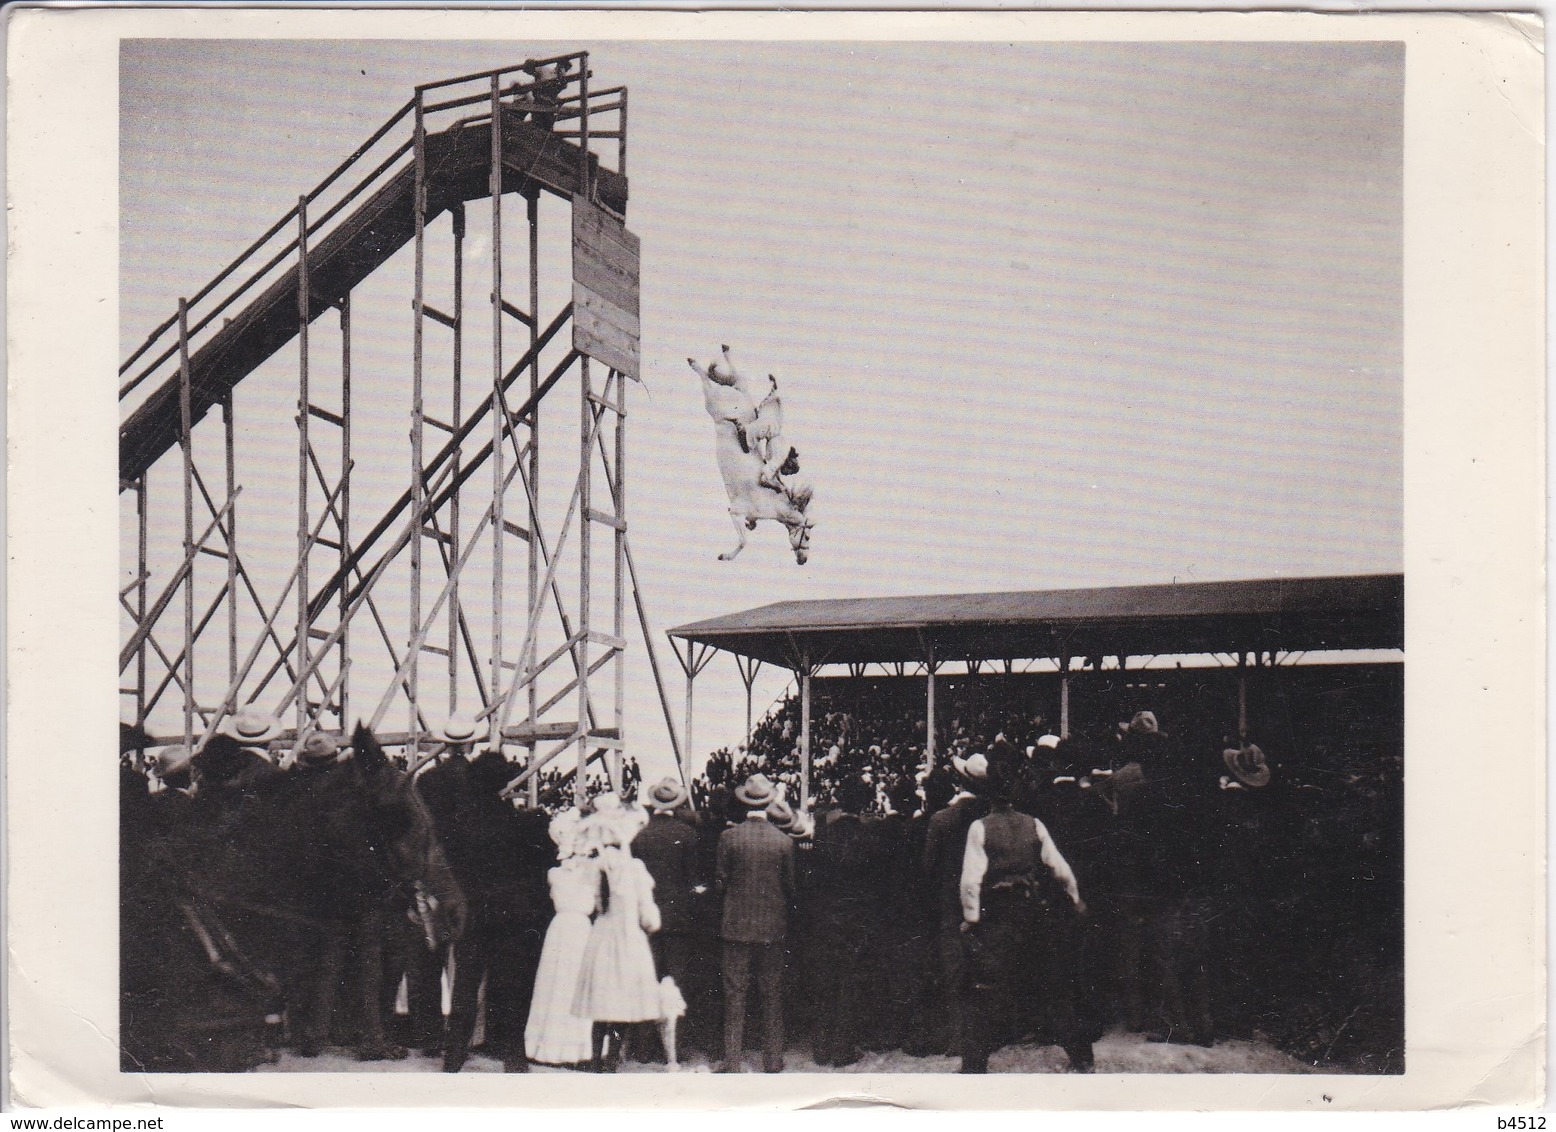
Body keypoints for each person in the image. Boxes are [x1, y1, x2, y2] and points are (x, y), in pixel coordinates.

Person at [959, 761, 1092, 1074]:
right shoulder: (1035, 824)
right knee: (1053, 985)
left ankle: (974, 1064)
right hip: (1032, 911)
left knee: (988, 988)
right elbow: (1059, 868)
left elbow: (970, 879)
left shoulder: (980, 827)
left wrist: (972, 917)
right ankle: (1082, 1056)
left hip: (999, 915)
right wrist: (1075, 898)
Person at [573, 799, 661, 1073]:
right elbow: (649, 916)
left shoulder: (595, 868)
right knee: (622, 1001)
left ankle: (594, 1057)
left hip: (602, 935)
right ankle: (612, 1059)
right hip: (628, 938)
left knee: (599, 997)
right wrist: (649, 925)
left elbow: (591, 905)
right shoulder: (635, 870)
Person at [715, 774, 795, 1073]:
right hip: (772, 926)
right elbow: (790, 886)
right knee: (771, 992)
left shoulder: (729, 838)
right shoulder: (784, 841)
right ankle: (773, 1058)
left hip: (736, 925)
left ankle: (732, 1059)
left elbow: (721, 883)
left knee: (735, 993)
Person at [922, 752, 991, 1058]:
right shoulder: (989, 817)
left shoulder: (941, 819)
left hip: (950, 902)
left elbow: (929, 866)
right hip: (984, 901)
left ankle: (956, 1037)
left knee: (954, 970)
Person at [524, 809, 597, 1068]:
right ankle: (574, 1048)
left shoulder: (555, 874)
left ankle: (548, 1044)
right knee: (570, 984)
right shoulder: (591, 873)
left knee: (557, 984)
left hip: (563, 929)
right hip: (578, 929)